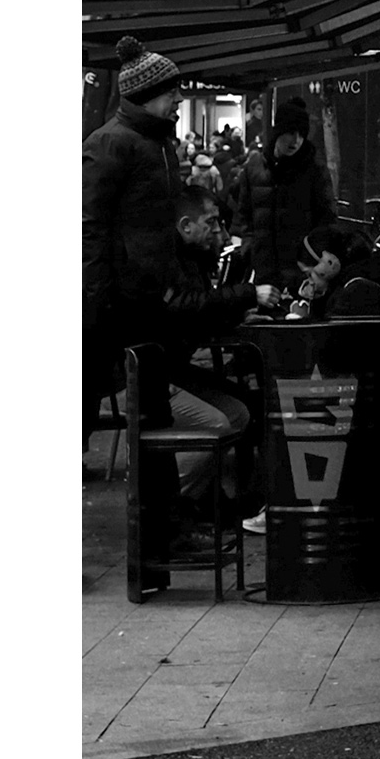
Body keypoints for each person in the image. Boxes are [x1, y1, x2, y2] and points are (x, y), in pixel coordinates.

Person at [113, 185, 281, 543]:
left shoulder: (188, 258)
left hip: (169, 369)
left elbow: (195, 311)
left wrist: (238, 316)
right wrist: (247, 295)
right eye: (211, 222)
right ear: (185, 225)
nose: (217, 231)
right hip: (148, 376)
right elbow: (182, 308)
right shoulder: (162, 260)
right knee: (218, 422)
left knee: (240, 412)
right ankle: (169, 509)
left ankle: (200, 503)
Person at [82, 37, 191, 449]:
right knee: (112, 396)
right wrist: (99, 298)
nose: (179, 99)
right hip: (121, 300)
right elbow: (89, 226)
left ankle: (157, 486)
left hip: (151, 296)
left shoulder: (160, 143)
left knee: (153, 409)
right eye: (171, 92)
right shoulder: (109, 143)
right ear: (147, 96)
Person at [230, 97, 336, 287]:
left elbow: (326, 218)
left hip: (301, 273)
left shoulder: (314, 169)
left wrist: (309, 257)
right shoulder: (254, 167)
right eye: (291, 132)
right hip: (262, 272)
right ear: (278, 131)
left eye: (301, 134)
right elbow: (243, 215)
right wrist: (249, 249)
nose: (296, 140)